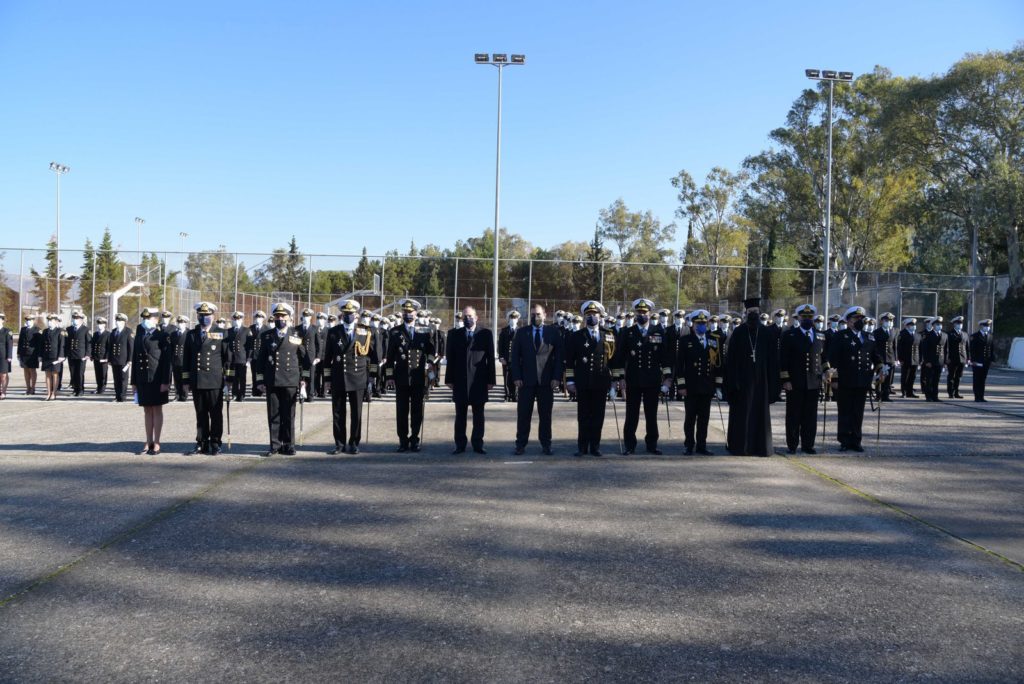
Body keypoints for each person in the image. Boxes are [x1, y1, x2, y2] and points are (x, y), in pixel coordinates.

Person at [611, 298, 672, 455]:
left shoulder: (658, 331)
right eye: (639, 312)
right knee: (632, 414)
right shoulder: (628, 332)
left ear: (650, 314)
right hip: (634, 379)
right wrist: (620, 378)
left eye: (644, 312)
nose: (642, 315)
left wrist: (667, 378)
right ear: (635, 313)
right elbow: (620, 357)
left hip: (652, 380)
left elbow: (665, 357)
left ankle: (652, 444)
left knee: (651, 414)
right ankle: (630, 445)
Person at [723, 297, 780, 456]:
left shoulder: (767, 333)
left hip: (762, 383)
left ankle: (761, 448)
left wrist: (774, 385)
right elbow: (731, 361)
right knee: (742, 415)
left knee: (760, 416)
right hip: (742, 383)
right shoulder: (738, 332)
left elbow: (773, 361)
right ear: (745, 313)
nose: (753, 314)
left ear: (759, 312)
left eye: (755, 312)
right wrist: (732, 383)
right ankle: (740, 447)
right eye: (750, 312)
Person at [510, 303, 564, 456]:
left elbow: (559, 357)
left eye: (538, 314)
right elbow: (514, 357)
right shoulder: (521, 333)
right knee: (523, 415)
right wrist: (516, 377)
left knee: (545, 415)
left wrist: (556, 377)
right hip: (525, 381)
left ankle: (546, 444)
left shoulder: (553, 333)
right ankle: (520, 444)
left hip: (546, 382)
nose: (536, 317)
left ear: (545, 315)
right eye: (533, 314)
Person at [254, 303, 308, 456]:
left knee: (288, 415)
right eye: (277, 316)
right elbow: (260, 361)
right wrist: (259, 381)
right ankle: (275, 445)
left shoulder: (296, 335)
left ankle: (289, 444)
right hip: (273, 381)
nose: (280, 319)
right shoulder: (267, 335)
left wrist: (304, 379)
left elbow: (305, 359)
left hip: (290, 381)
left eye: (283, 316)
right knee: (273, 414)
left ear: (289, 318)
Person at [827, 306, 883, 452]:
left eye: (861, 319)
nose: (859, 321)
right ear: (848, 321)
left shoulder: (869, 336)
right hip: (845, 380)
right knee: (845, 411)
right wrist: (834, 380)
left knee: (858, 412)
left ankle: (856, 440)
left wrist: (881, 367)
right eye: (856, 318)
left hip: (862, 381)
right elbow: (833, 359)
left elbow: (875, 357)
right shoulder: (840, 336)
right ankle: (844, 440)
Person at [384, 298, 436, 452]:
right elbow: (390, 357)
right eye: (405, 312)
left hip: (418, 376)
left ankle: (415, 438)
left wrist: (430, 364)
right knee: (401, 410)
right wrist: (389, 377)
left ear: (416, 313)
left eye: (411, 312)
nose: (408, 314)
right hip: (401, 377)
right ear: (402, 313)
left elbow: (431, 351)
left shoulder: (425, 330)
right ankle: (402, 440)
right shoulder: (395, 332)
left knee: (417, 410)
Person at [325, 300, 376, 455]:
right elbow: (327, 358)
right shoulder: (334, 332)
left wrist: (372, 377)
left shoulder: (366, 332)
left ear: (356, 315)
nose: (349, 316)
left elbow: (374, 357)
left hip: (358, 377)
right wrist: (327, 380)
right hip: (339, 377)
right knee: (338, 413)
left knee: (356, 413)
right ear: (342, 315)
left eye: (351, 314)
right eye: (346, 314)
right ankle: (339, 444)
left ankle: (354, 442)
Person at [563, 301, 613, 457]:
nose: (592, 317)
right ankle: (582, 447)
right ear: (585, 317)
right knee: (583, 416)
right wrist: (570, 381)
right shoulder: (577, 336)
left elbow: (613, 360)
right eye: (589, 315)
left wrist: (615, 382)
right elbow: (569, 360)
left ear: (600, 316)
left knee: (598, 416)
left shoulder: (608, 335)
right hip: (583, 382)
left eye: (595, 314)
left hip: (601, 382)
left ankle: (595, 446)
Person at [444, 305, 495, 454]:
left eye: (471, 316)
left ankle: (478, 444)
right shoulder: (454, 334)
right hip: (460, 381)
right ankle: (460, 444)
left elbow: (490, 359)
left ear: (476, 318)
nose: (468, 319)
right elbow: (450, 359)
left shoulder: (485, 334)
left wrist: (491, 380)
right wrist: (449, 379)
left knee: (479, 416)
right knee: (460, 416)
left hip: (479, 381)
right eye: (465, 316)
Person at [182, 302, 230, 455]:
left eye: (207, 315)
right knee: (200, 414)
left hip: (214, 381)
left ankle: (216, 443)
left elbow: (228, 358)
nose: (204, 318)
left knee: (216, 414)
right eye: (201, 315)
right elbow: (186, 359)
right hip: (197, 380)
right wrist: (186, 381)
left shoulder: (222, 333)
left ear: (213, 316)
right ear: (197, 316)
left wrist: (228, 380)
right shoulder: (191, 334)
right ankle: (202, 442)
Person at [779, 304, 825, 454]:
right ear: (798, 317)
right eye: (804, 317)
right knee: (794, 415)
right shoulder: (789, 335)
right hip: (795, 382)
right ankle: (792, 444)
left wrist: (826, 372)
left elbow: (823, 358)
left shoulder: (820, 336)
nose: (807, 319)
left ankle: (808, 445)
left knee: (810, 416)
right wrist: (785, 380)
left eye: (809, 317)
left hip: (813, 382)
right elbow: (783, 360)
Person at [676, 309, 722, 456]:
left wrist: (718, 386)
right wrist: (681, 385)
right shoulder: (685, 341)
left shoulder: (713, 340)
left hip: (707, 386)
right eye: (698, 323)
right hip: (691, 386)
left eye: (703, 323)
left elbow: (718, 365)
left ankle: (702, 445)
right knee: (690, 418)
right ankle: (689, 445)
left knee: (704, 418)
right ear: (693, 324)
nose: (701, 325)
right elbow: (679, 366)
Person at [131, 307, 172, 455]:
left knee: (157, 409)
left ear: (156, 319)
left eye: (149, 318)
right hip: (142, 378)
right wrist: (133, 382)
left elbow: (167, 361)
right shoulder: (140, 334)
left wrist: (166, 381)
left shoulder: (163, 336)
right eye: (144, 318)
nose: (146, 321)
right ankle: (148, 441)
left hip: (157, 378)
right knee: (147, 410)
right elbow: (135, 358)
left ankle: (157, 442)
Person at [36, 313, 66, 401]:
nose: (50, 323)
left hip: (56, 356)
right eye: (49, 321)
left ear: (56, 321)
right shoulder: (45, 331)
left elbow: (62, 344)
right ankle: (49, 393)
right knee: (47, 375)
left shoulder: (60, 331)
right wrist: (40, 355)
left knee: (55, 374)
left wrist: (61, 356)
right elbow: (41, 345)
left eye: (52, 321)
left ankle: (54, 393)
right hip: (46, 356)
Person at [295, 308, 322, 403]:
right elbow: (295, 342)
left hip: (311, 356)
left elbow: (319, 344)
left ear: (311, 317)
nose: (306, 318)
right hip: (300, 356)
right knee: (301, 376)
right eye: (304, 316)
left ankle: (310, 395)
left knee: (311, 377)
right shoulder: (297, 328)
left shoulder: (314, 328)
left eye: (308, 316)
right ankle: (302, 394)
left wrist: (318, 357)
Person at [106, 313, 134, 402]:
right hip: (114, 359)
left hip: (124, 360)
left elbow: (131, 347)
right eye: (117, 320)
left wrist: (130, 359)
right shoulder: (113, 332)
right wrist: (109, 359)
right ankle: (117, 395)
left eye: (120, 321)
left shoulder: (128, 332)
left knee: (123, 379)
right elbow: (110, 346)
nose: (118, 322)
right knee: (116, 378)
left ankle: (122, 396)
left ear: (124, 322)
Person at [225, 311, 251, 402]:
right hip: (232, 358)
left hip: (242, 358)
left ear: (242, 319)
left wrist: (249, 359)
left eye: (238, 319)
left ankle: (242, 394)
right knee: (234, 378)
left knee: (242, 378)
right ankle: (234, 394)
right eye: (235, 319)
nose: (237, 320)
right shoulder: (229, 331)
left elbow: (249, 346)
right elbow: (227, 345)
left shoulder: (246, 330)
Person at [920, 316, 947, 402]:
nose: (939, 326)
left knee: (936, 380)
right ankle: (928, 396)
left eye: (940, 324)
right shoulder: (927, 335)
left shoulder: (944, 335)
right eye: (937, 324)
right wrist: (926, 361)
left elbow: (946, 349)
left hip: (940, 361)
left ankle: (935, 396)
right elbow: (925, 349)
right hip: (930, 362)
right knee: (929, 379)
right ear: (933, 325)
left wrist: (945, 362)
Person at [65, 311, 92, 397]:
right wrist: (66, 353)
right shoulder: (69, 329)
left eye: (77, 318)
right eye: (74, 318)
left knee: (79, 373)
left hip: (81, 355)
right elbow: (67, 342)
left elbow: (89, 343)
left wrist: (87, 354)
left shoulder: (85, 329)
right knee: (73, 373)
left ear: (81, 320)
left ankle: (80, 390)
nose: (75, 320)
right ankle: (75, 389)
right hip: (71, 355)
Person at [497, 310, 520, 402]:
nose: (513, 320)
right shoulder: (504, 331)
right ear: (508, 319)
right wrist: (501, 357)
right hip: (506, 359)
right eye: (511, 318)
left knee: (516, 377)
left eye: (515, 318)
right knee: (506, 378)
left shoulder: (521, 331)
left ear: (518, 319)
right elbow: (500, 346)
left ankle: (515, 395)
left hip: (517, 359)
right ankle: (507, 395)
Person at [969, 319, 995, 402]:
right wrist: (973, 360)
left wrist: (991, 360)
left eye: (988, 326)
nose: (987, 327)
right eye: (985, 326)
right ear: (981, 326)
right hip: (977, 361)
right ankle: (977, 396)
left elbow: (991, 349)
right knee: (977, 379)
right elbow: (972, 350)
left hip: (986, 361)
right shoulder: (975, 336)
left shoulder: (990, 336)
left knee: (983, 379)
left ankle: (981, 396)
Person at [874, 312, 897, 400]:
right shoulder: (876, 332)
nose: (889, 322)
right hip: (881, 358)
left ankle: (886, 395)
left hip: (890, 358)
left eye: (891, 320)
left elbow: (895, 345)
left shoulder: (893, 331)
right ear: (882, 321)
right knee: (880, 377)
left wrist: (896, 358)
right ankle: (878, 394)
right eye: (887, 320)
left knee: (889, 378)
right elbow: (874, 347)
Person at [945, 315, 968, 399]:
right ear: (954, 324)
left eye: (961, 323)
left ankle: (956, 392)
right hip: (952, 359)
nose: (960, 325)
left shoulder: (965, 334)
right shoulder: (949, 334)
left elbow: (967, 347)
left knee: (958, 377)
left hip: (962, 358)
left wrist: (968, 358)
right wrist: (947, 358)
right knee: (951, 376)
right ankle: (951, 392)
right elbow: (946, 347)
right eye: (958, 323)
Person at [896, 317, 920, 398]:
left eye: (914, 325)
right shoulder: (902, 334)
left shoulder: (917, 334)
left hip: (915, 359)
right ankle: (904, 392)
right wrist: (900, 359)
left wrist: (919, 359)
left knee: (912, 376)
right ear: (906, 326)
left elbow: (919, 348)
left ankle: (910, 392)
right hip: (905, 359)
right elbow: (899, 348)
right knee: (905, 376)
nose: (913, 326)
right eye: (911, 325)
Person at [248, 310, 268, 398]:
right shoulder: (251, 328)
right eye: (257, 317)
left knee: (263, 373)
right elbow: (249, 343)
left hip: (263, 355)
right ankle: (255, 390)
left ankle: (263, 389)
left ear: (263, 319)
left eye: (260, 317)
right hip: (254, 355)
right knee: (254, 373)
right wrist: (249, 356)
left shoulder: (267, 329)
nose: (258, 319)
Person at [18, 314, 40, 395]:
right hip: (24, 353)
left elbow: (39, 344)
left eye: (30, 320)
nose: (28, 321)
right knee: (25, 370)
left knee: (32, 370)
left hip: (33, 353)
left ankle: (33, 388)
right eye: (27, 320)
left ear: (33, 321)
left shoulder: (37, 329)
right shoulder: (23, 329)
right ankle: (28, 388)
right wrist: (18, 353)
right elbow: (20, 341)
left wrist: (39, 355)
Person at [169, 315, 189, 401]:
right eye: (179, 322)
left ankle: (184, 395)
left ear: (185, 323)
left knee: (184, 378)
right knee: (176, 378)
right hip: (176, 359)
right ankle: (177, 395)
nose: (180, 324)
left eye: (182, 322)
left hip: (185, 360)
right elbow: (172, 347)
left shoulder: (189, 333)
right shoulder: (173, 334)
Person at [91, 316, 110, 394]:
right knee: (97, 373)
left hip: (103, 357)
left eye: (101, 324)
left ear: (104, 325)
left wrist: (106, 358)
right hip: (96, 357)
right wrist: (92, 355)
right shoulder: (95, 334)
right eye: (98, 323)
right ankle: (99, 387)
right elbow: (93, 345)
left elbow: (109, 347)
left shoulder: (108, 334)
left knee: (103, 373)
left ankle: (102, 387)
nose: (99, 325)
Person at [314, 311, 329, 398]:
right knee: (316, 374)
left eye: (322, 319)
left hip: (325, 355)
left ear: (325, 320)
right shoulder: (314, 329)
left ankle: (323, 391)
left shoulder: (328, 331)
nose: (320, 320)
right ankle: (316, 390)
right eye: (318, 318)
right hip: (316, 356)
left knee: (324, 374)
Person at [0, 313, 11, 399]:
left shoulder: (7, 331)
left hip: (4, 356)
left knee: (4, 374)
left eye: (0, 319)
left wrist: (9, 356)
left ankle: (4, 391)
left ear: (3, 321)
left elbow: (9, 344)